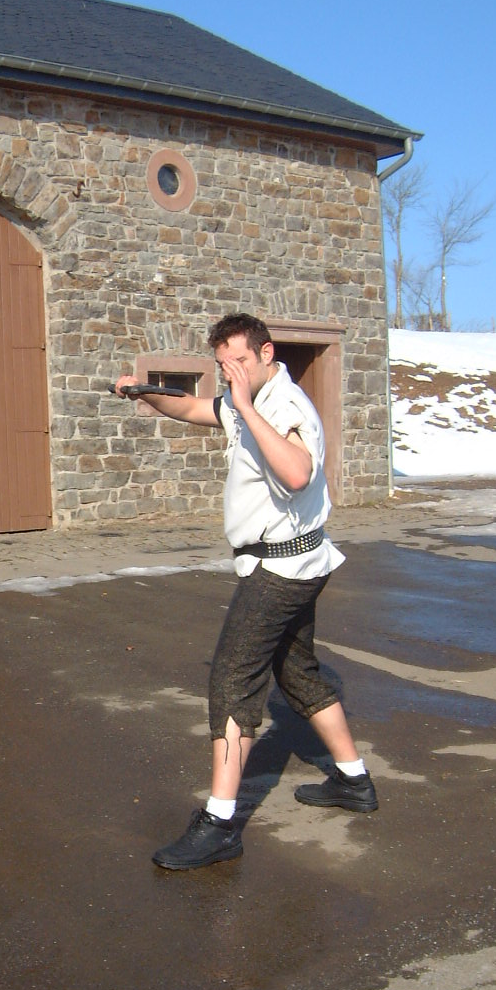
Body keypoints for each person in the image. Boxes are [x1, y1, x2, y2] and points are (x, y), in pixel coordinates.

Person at [113, 312, 377, 870]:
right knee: (296, 672)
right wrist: (144, 394)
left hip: (284, 567)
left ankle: (220, 824)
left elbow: (298, 473)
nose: (229, 372)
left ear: (265, 352)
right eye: (221, 363)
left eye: (237, 361)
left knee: (232, 681)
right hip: (289, 562)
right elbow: (193, 408)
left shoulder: (286, 406)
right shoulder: (243, 399)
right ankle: (354, 781)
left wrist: (246, 406)